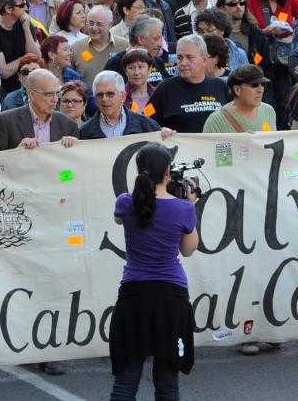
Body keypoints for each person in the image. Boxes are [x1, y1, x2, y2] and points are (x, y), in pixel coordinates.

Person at [109, 141, 198, 400]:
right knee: (167, 381)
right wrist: (191, 205)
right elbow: (188, 250)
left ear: (138, 170)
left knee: (126, 380)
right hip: (171, 295)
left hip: (134, 293)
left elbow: (119, 218)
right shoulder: (183, 208)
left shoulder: (125, 202)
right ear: (168, 171)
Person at [146, 35, 230, 133]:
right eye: (180, 58)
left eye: (189, 57)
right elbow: (145, 117)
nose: (183, 63)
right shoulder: (165, 89)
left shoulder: (220, 86)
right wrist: (161, 130)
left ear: (204, 60)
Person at [203, 64, 276, 132]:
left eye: (263, 84)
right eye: (254, 85)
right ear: (237, 90)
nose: (260, 90)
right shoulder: (215, 121)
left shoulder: (269, 111)